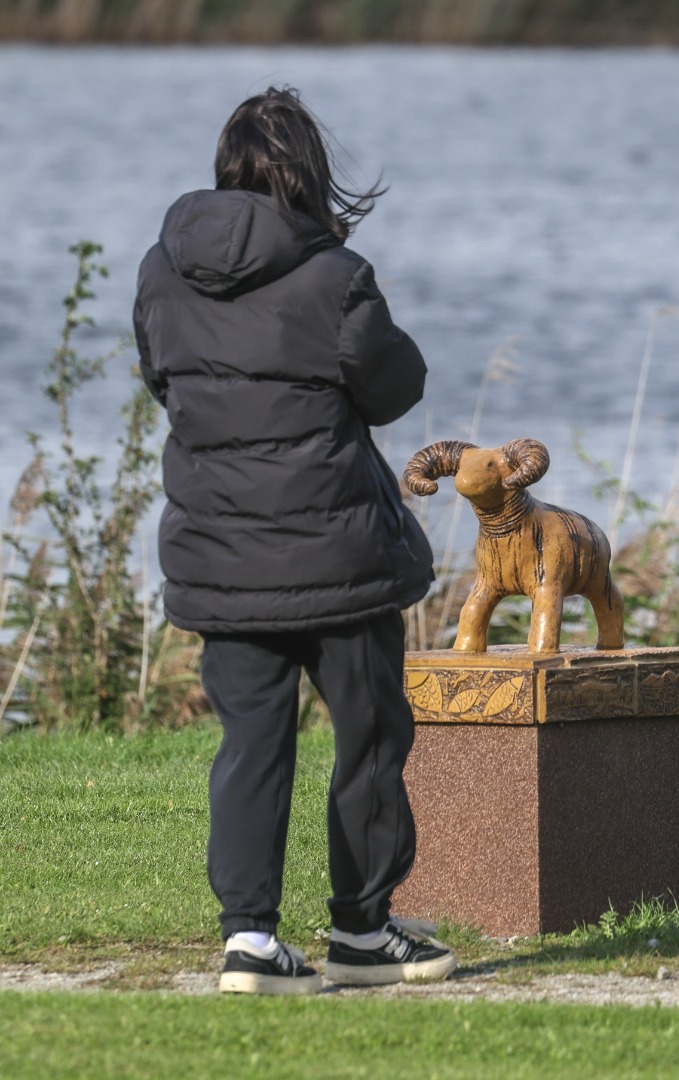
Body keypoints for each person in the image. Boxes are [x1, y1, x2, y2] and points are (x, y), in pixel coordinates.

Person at [134, 87, 455, 995]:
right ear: (307, 171)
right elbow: (394, 388)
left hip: (221, 557)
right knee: (370, 738)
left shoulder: (161, 271)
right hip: (337, 562)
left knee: (251, 744)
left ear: (225, 166)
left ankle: (248, 942)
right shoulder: (334, 276)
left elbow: (165, 377)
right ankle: (361, 930)